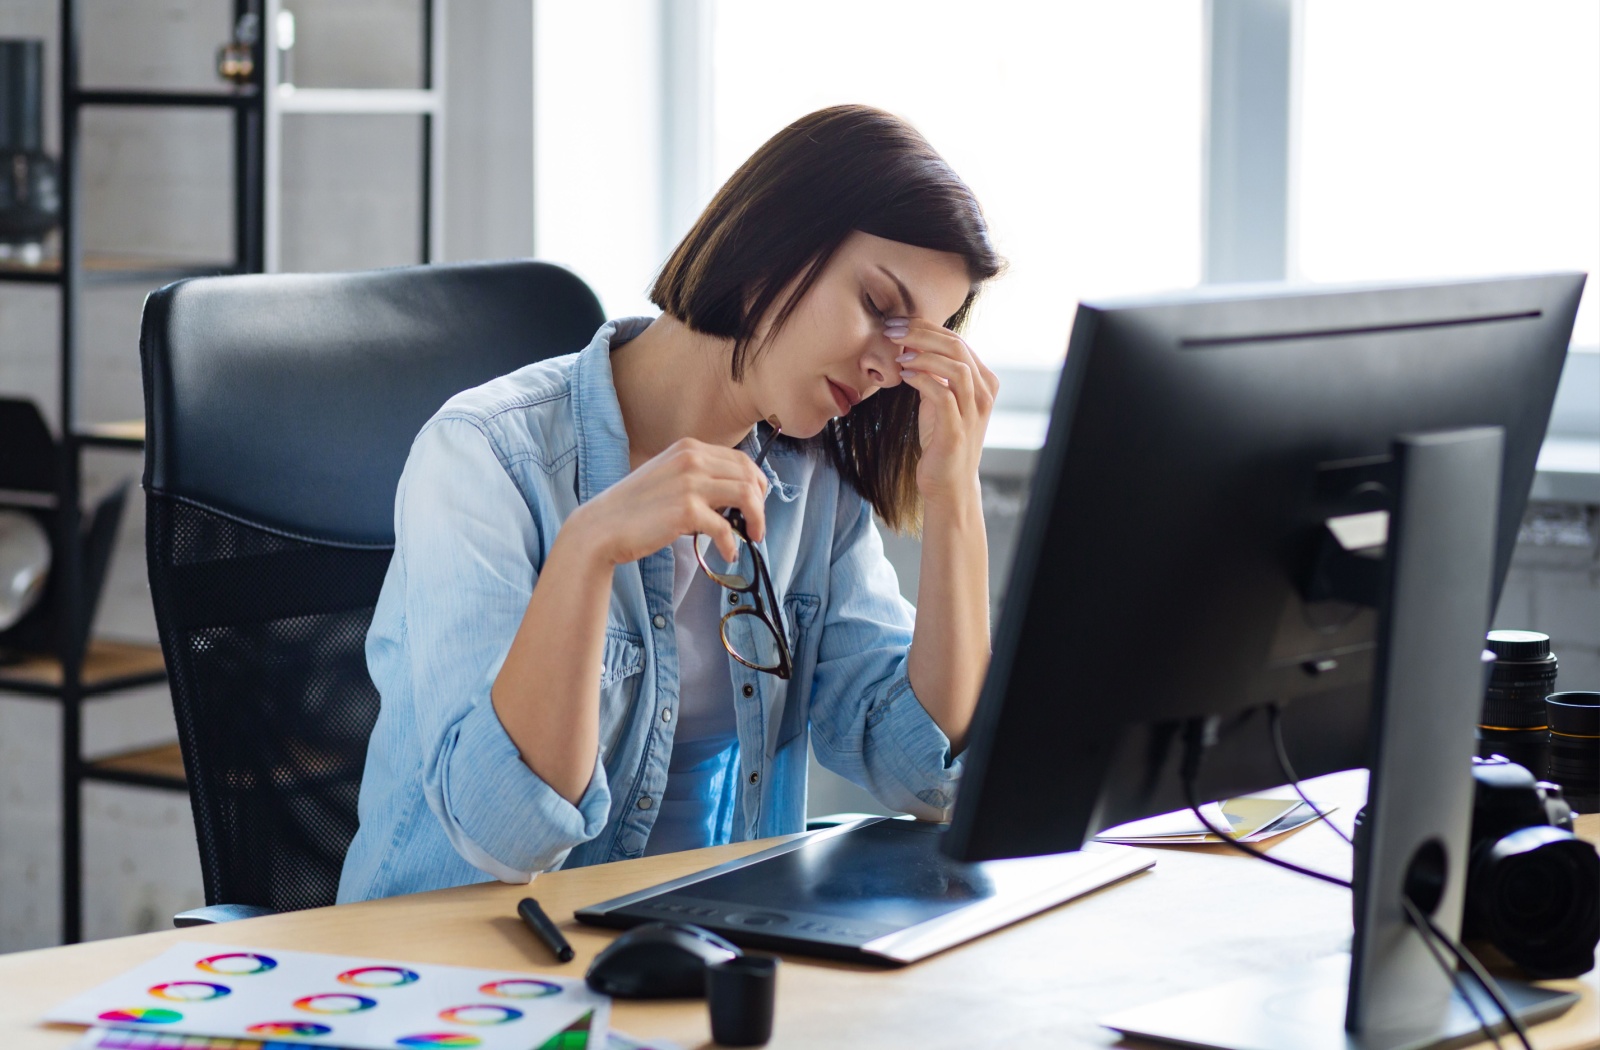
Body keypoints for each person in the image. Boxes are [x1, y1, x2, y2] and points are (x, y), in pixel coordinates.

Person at [337, 104, 1005, 902]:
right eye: (876, 306)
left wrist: (953, 498)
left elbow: (923, 776)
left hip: (704, 954)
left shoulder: (813, 485)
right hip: (464, 980)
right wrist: (589, 551)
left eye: (915, 344)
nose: (884, 369)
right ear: (776, 242)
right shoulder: (485, 455)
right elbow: (505, 837)